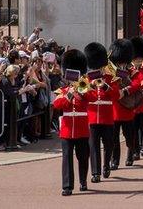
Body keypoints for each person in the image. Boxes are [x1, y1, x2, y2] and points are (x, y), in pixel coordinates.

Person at [52, 49, 91, 196]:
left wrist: (80, 92)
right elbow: (57, 105)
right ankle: (67, 186)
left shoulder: (84, 88)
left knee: (83, 157)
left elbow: (91, 97)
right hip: (67, 129)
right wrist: (69, 94)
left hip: (81, 128)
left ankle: (83, 181)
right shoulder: (62, 90)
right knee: (67, 158)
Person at [84, 42, 117, 182]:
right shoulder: (87, 79)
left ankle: (106, 165)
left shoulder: (110, 79)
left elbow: (116, 95)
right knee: (94, 145)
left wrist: (106, 87)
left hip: (107, 116)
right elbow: (83, 96)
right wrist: (90, 87)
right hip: (92, 117)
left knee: (109, 144)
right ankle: (95, 173)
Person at [108, 38, 137, 168]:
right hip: (114, 108)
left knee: (128, 135)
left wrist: (126, 89)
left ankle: (130, 153)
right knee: (113, 138)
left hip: (127, 108)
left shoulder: (131, 70)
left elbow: (138, 83)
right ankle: (115, 160)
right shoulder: (110, 70)